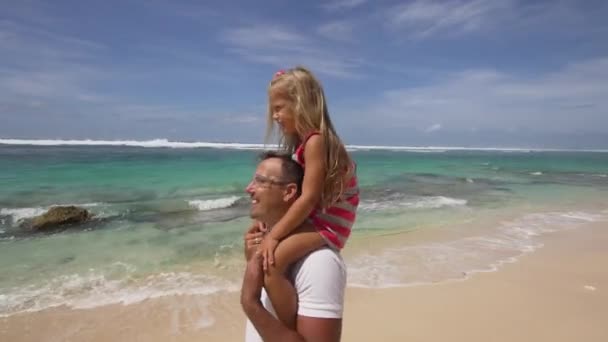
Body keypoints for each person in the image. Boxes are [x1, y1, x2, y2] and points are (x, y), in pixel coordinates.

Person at [256, 67, 359, 329]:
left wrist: (275, 234)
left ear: (300, 104)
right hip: (318, 218)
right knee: (266, 249)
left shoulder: (316, 141)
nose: (276, 116)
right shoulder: (304, 142)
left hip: (329, 224)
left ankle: (291, 329)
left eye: (279, 108)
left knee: (274, 263)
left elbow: (309, 198)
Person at [242, 151, 346, 342]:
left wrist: (250, 303)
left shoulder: (319, 262)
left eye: (260, 181)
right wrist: (252, 262)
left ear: (289, 192)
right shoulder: (267, 251)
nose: (248, 188)